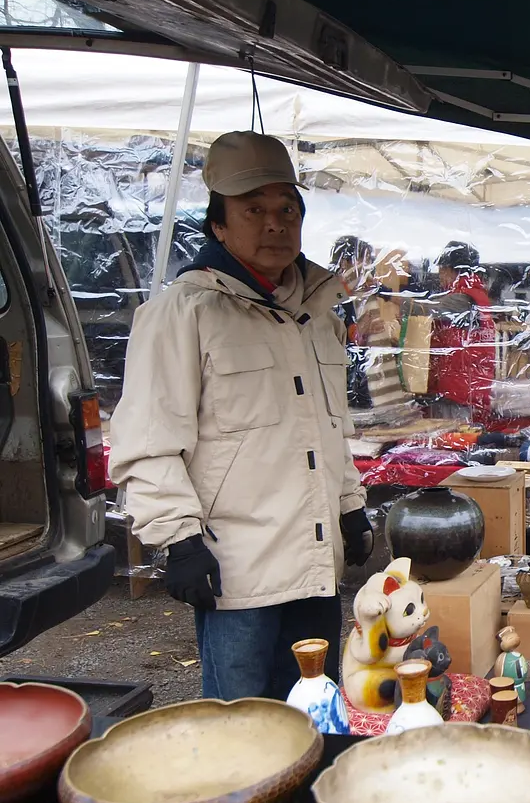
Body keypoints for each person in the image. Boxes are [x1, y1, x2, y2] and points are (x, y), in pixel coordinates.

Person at [110, 131, 373, 701]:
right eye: (254, 210)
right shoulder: (182, 312)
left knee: (313, 710)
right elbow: (149, 442)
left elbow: (330, 429)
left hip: (314, 562)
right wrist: (177, 539)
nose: (275, 224)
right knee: (242, 722)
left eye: (287, 209)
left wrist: (350, 507)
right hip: (238, 570)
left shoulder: (315, 314)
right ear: (219, 226)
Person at [426, 239, 496, 416]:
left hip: (459, 390)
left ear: (450, 270)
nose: (440, 275)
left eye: (441, 269)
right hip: (471, 386)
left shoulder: (463, 298)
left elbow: (425, 309)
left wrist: (390, 299)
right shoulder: (477, 293)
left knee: (455, 437)